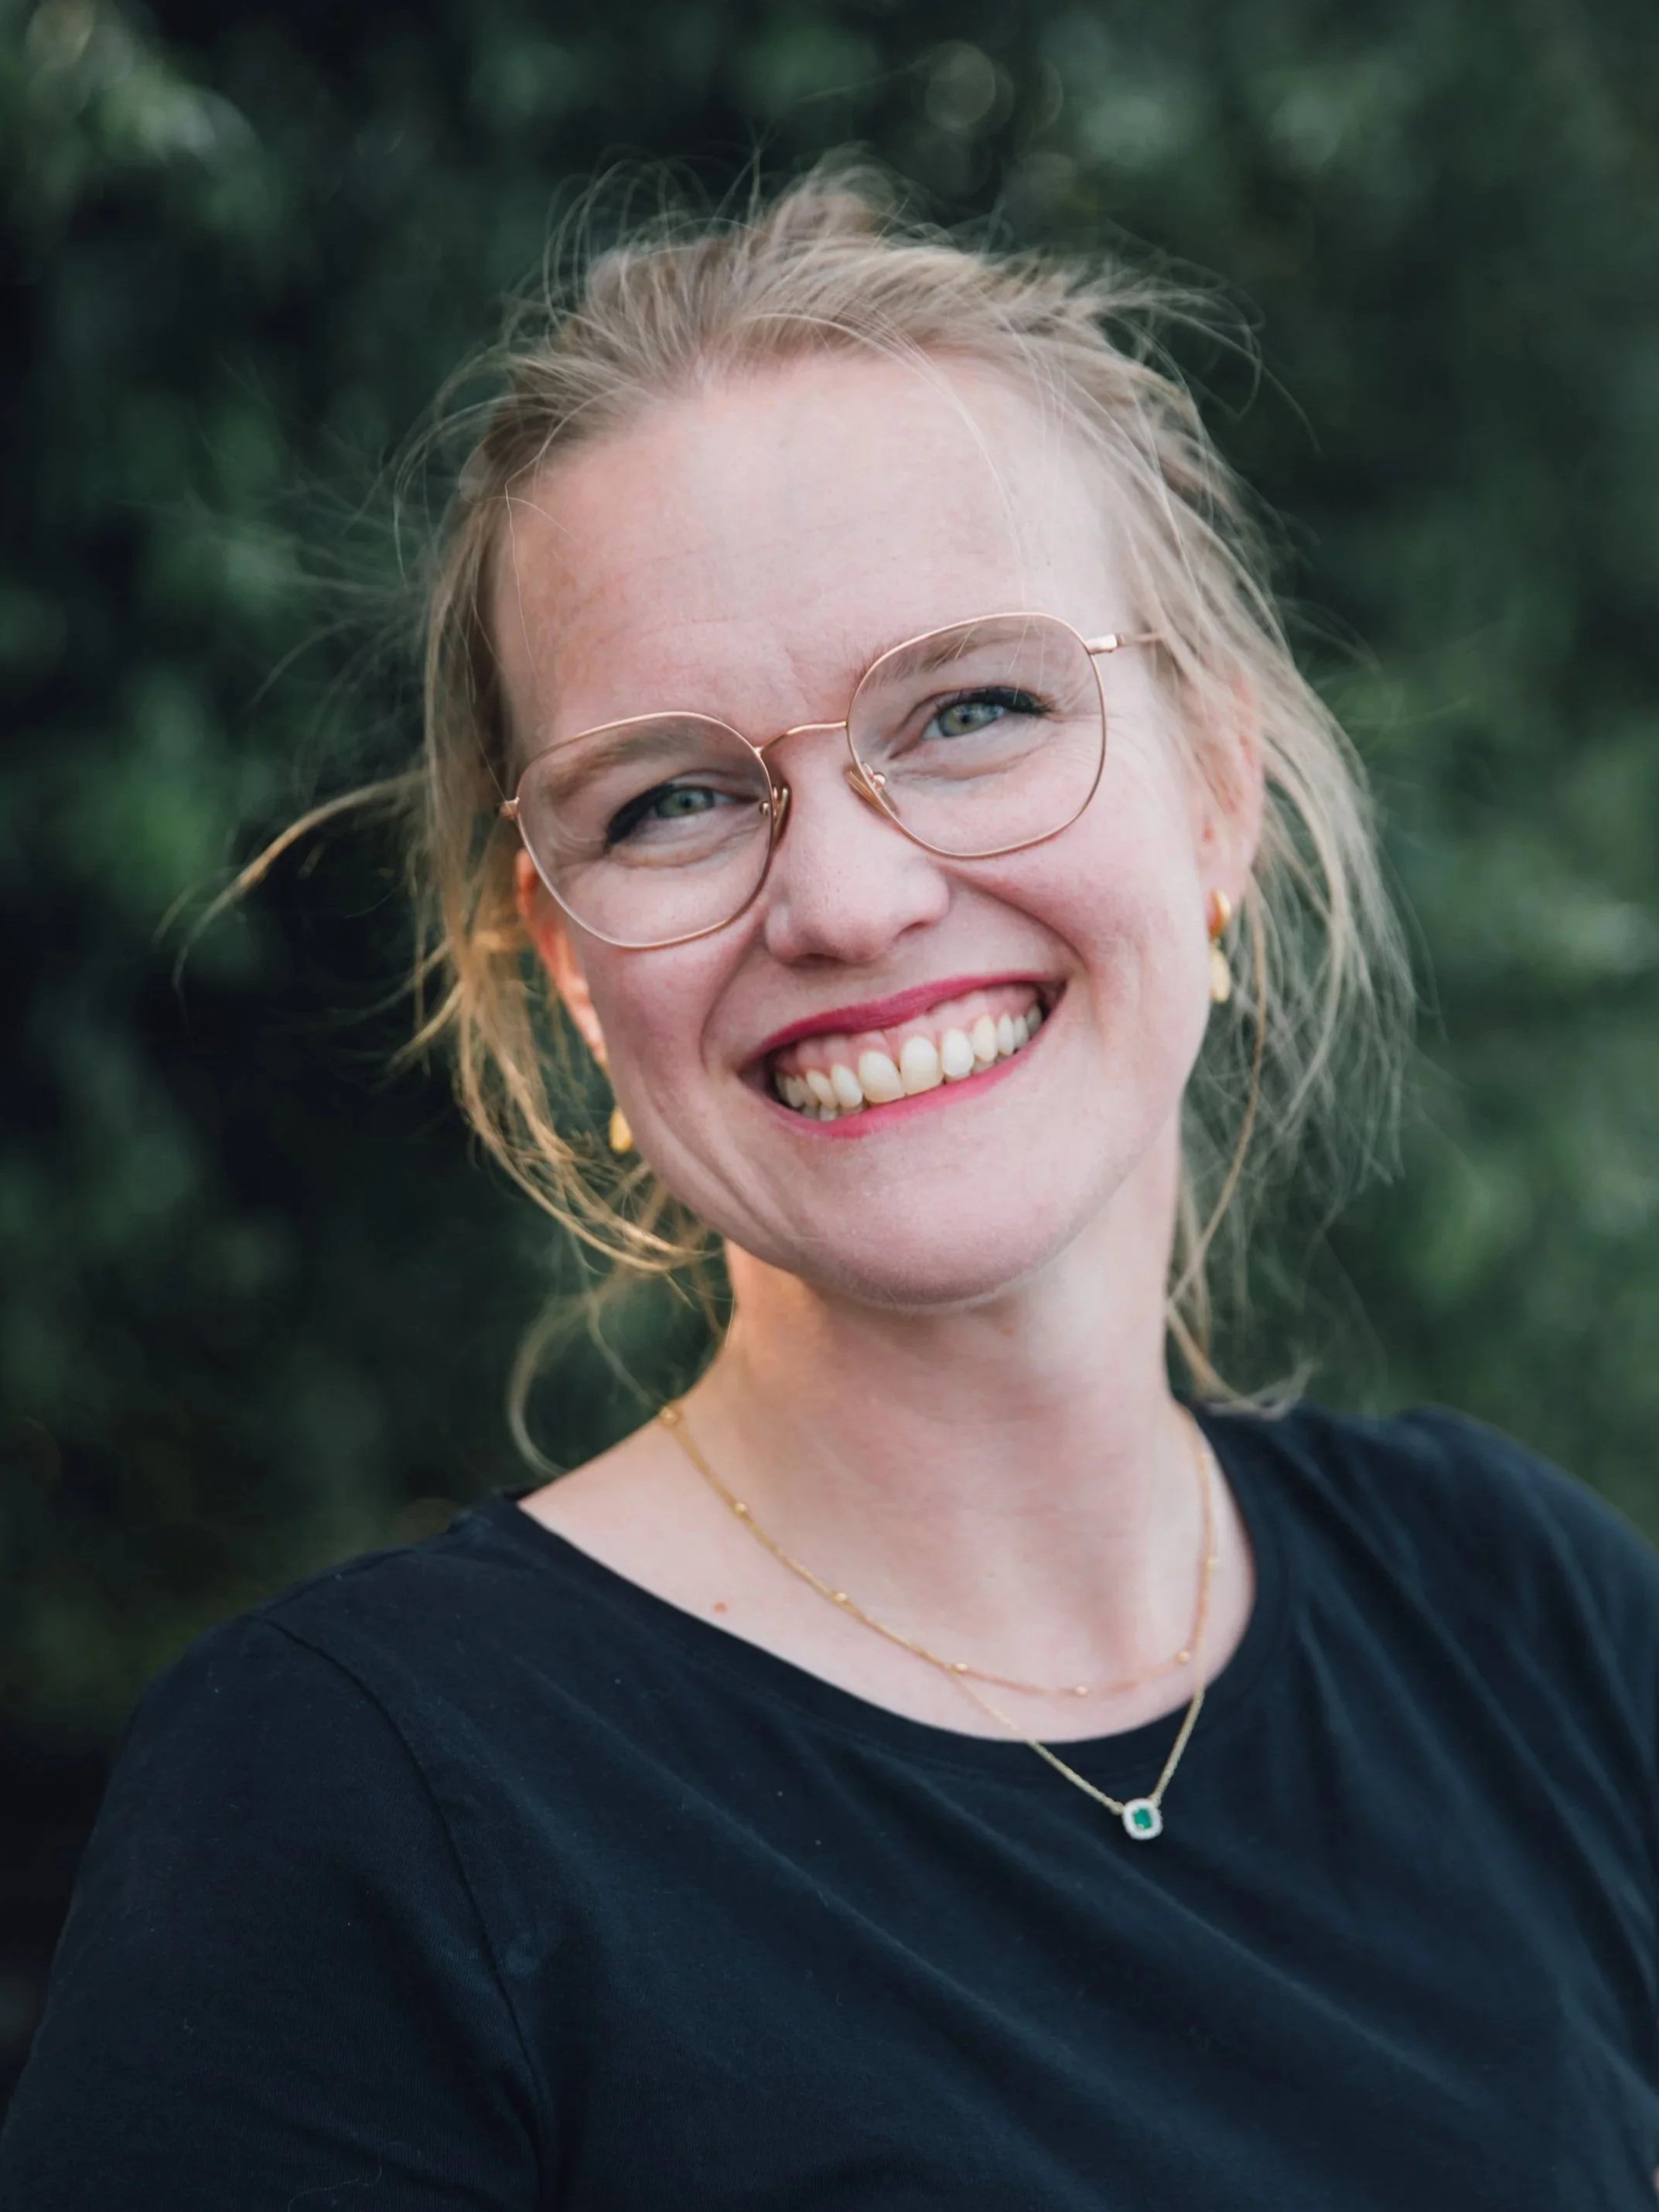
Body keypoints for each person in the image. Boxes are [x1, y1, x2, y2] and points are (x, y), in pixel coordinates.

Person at [3, 166, 1656, 2210]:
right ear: (566, 960)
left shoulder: (1525, 1616)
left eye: (970, 709)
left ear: (1214, 790)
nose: (851, 896)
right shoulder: (345, 1812)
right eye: (675, 796)